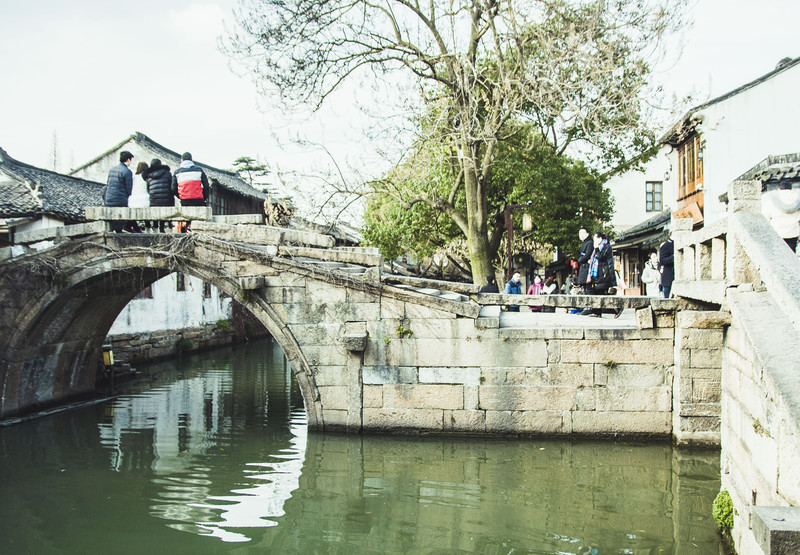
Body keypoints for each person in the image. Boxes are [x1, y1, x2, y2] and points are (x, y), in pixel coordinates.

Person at [583, 232, 622, 317]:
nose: (594, 241)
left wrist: (596, 249)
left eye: (595, 239)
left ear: (600, 239)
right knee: (596, 292)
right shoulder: (598, 248)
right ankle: (597, 312)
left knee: (603, 294)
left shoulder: (606, 246)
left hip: (605, 274)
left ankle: (617, 308)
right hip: (598, 274)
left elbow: (601, 257)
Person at [762, 181, 800, 252]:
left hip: (777, 232)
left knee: (778, 254)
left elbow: (766, 217)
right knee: (791, 254)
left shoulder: (771, 199)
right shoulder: (797, 199)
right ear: (790, 189)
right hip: (793, 232)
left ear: (779, 189)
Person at [105, 150, 135, 232]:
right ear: (128, 160)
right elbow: (129, 189)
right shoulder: (127, 172)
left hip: (109, 199)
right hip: (120, 199)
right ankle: (119, 232)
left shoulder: (111, 170)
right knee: (122, 218)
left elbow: (108, 184)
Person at [142, 158, 175, 232]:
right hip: (166, 200)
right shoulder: (167, 173)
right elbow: (171, 186)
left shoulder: (149, 176)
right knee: (164, 208)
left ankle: (155, 228)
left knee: (155, 210)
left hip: (154, 200)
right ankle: (162, 228)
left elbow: (148, 189)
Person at [575, 227, 593, 293]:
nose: (581, 235)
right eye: (580, 233)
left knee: (588, 288)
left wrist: (579, 259)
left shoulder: (589, 243)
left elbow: (587, 256)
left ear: (587, 234)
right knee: (585, 288)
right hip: (584, 267)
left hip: (587, 267)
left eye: (583, 233)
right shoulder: (584, 243)